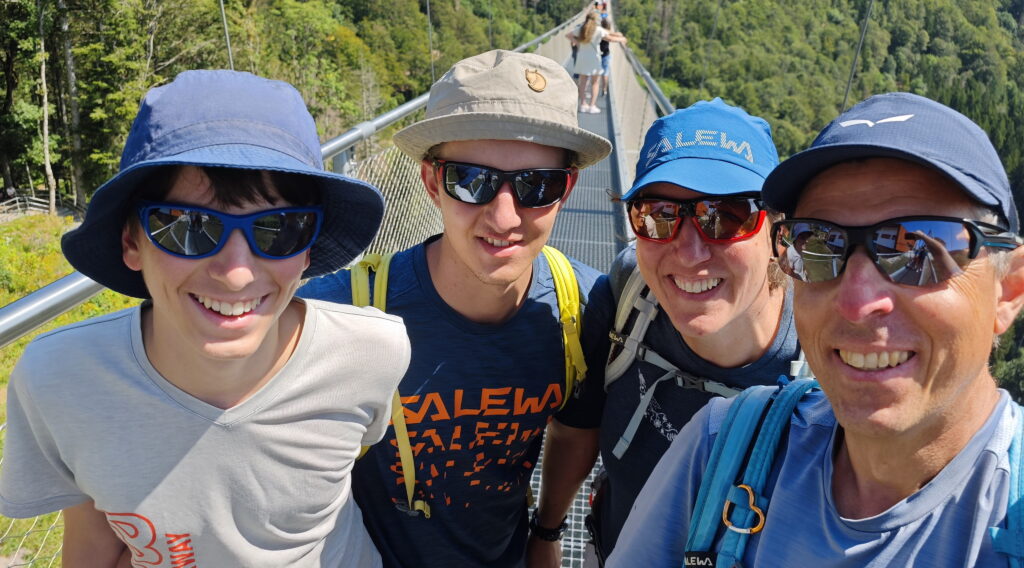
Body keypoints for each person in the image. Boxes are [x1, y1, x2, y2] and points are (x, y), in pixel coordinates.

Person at [0, 70, 411, 567]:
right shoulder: (60, 381)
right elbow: (93, 539)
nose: (236, 274)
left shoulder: (370, 354)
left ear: (307, 251)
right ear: (132, 241)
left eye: (278, 229)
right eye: (188, 228)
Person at [610, 92, 1024, 567]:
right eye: (821, 245)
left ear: (1008, 290)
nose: (856, 302)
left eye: (920, 252)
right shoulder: (719, 445)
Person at [300, 49, 613, 568]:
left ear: (567, 191)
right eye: (472, 180)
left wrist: (548, 533)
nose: (505, 215)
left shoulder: (581, 308)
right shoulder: (344, 312)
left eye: (538, 185)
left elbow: (577, 424)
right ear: (430, 183)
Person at [529, 98, 801, 566]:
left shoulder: (825, 357)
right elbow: (578, 427)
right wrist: (546, 532)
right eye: (658, 214)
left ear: (779, 233)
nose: (690, 251)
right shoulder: (629, 291)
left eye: (726, 215)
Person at [566, 10, 626, 114]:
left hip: (582, 57)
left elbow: (568, 35)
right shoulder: (598, 30)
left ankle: (583, 105)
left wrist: (578, 43)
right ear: (596, 20)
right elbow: (610, 39)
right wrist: (621, 39)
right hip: (594, 58)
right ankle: (592, 106)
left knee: (582, 82)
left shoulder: (581, 28)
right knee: (595, 83)